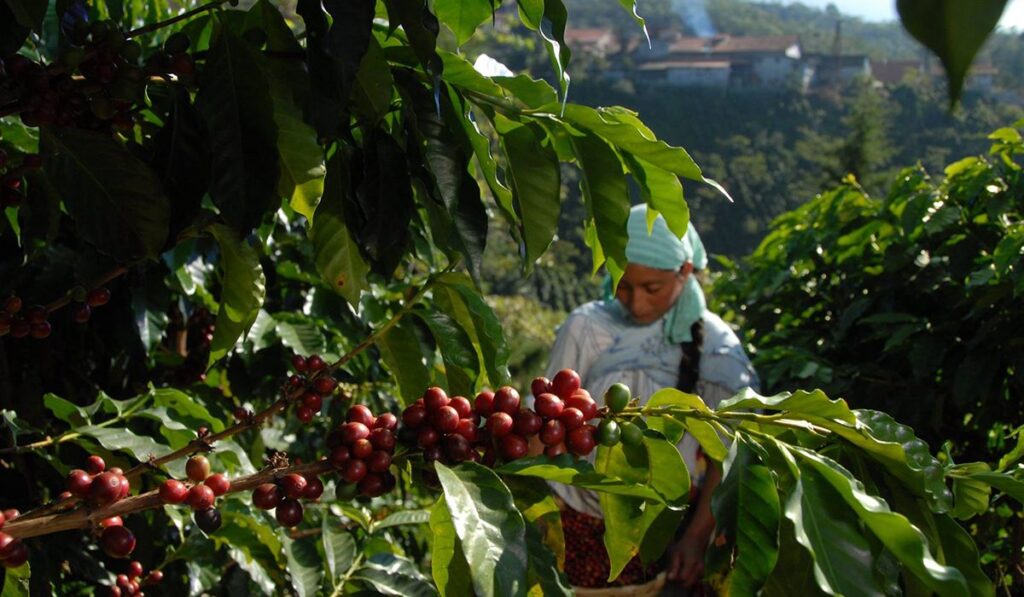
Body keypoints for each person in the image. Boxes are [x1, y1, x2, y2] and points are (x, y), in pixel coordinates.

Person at [544, 204, 759, 594]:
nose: (636, 302)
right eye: (623, 285)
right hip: (577, 522)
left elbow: (728, 457)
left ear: (685, 273)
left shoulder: (717, 350)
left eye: (652, 289)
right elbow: (550, 418)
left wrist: (695, 537)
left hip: (665, 533)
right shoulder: (586, 327)